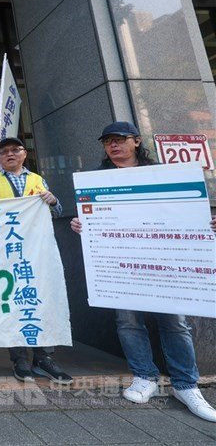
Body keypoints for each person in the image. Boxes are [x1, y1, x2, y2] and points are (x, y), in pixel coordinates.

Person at [71, 121, 216, 422]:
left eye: (120, 139)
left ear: (136, 141)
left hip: (164, 264)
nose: (113, 145)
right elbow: (92, 220)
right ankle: (144, 376)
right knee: (127, 320)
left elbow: (187, 212)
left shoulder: (161, 174)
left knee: (175, 322)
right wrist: (81, 226)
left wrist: (207, 222)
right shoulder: (97, 180)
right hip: (120, 265)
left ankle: (186, 384)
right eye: (108, 141)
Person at [0, 137, 73, 385]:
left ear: (24, 154)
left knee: (40, 300)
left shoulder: (37, 180)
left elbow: (57, 211)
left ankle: (43, 357)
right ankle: (19, 358)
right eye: (4, 151)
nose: (10, 154)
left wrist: (53, 201)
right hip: (6, 252)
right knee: (13, 302)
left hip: (37, 252)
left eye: (15, 150)